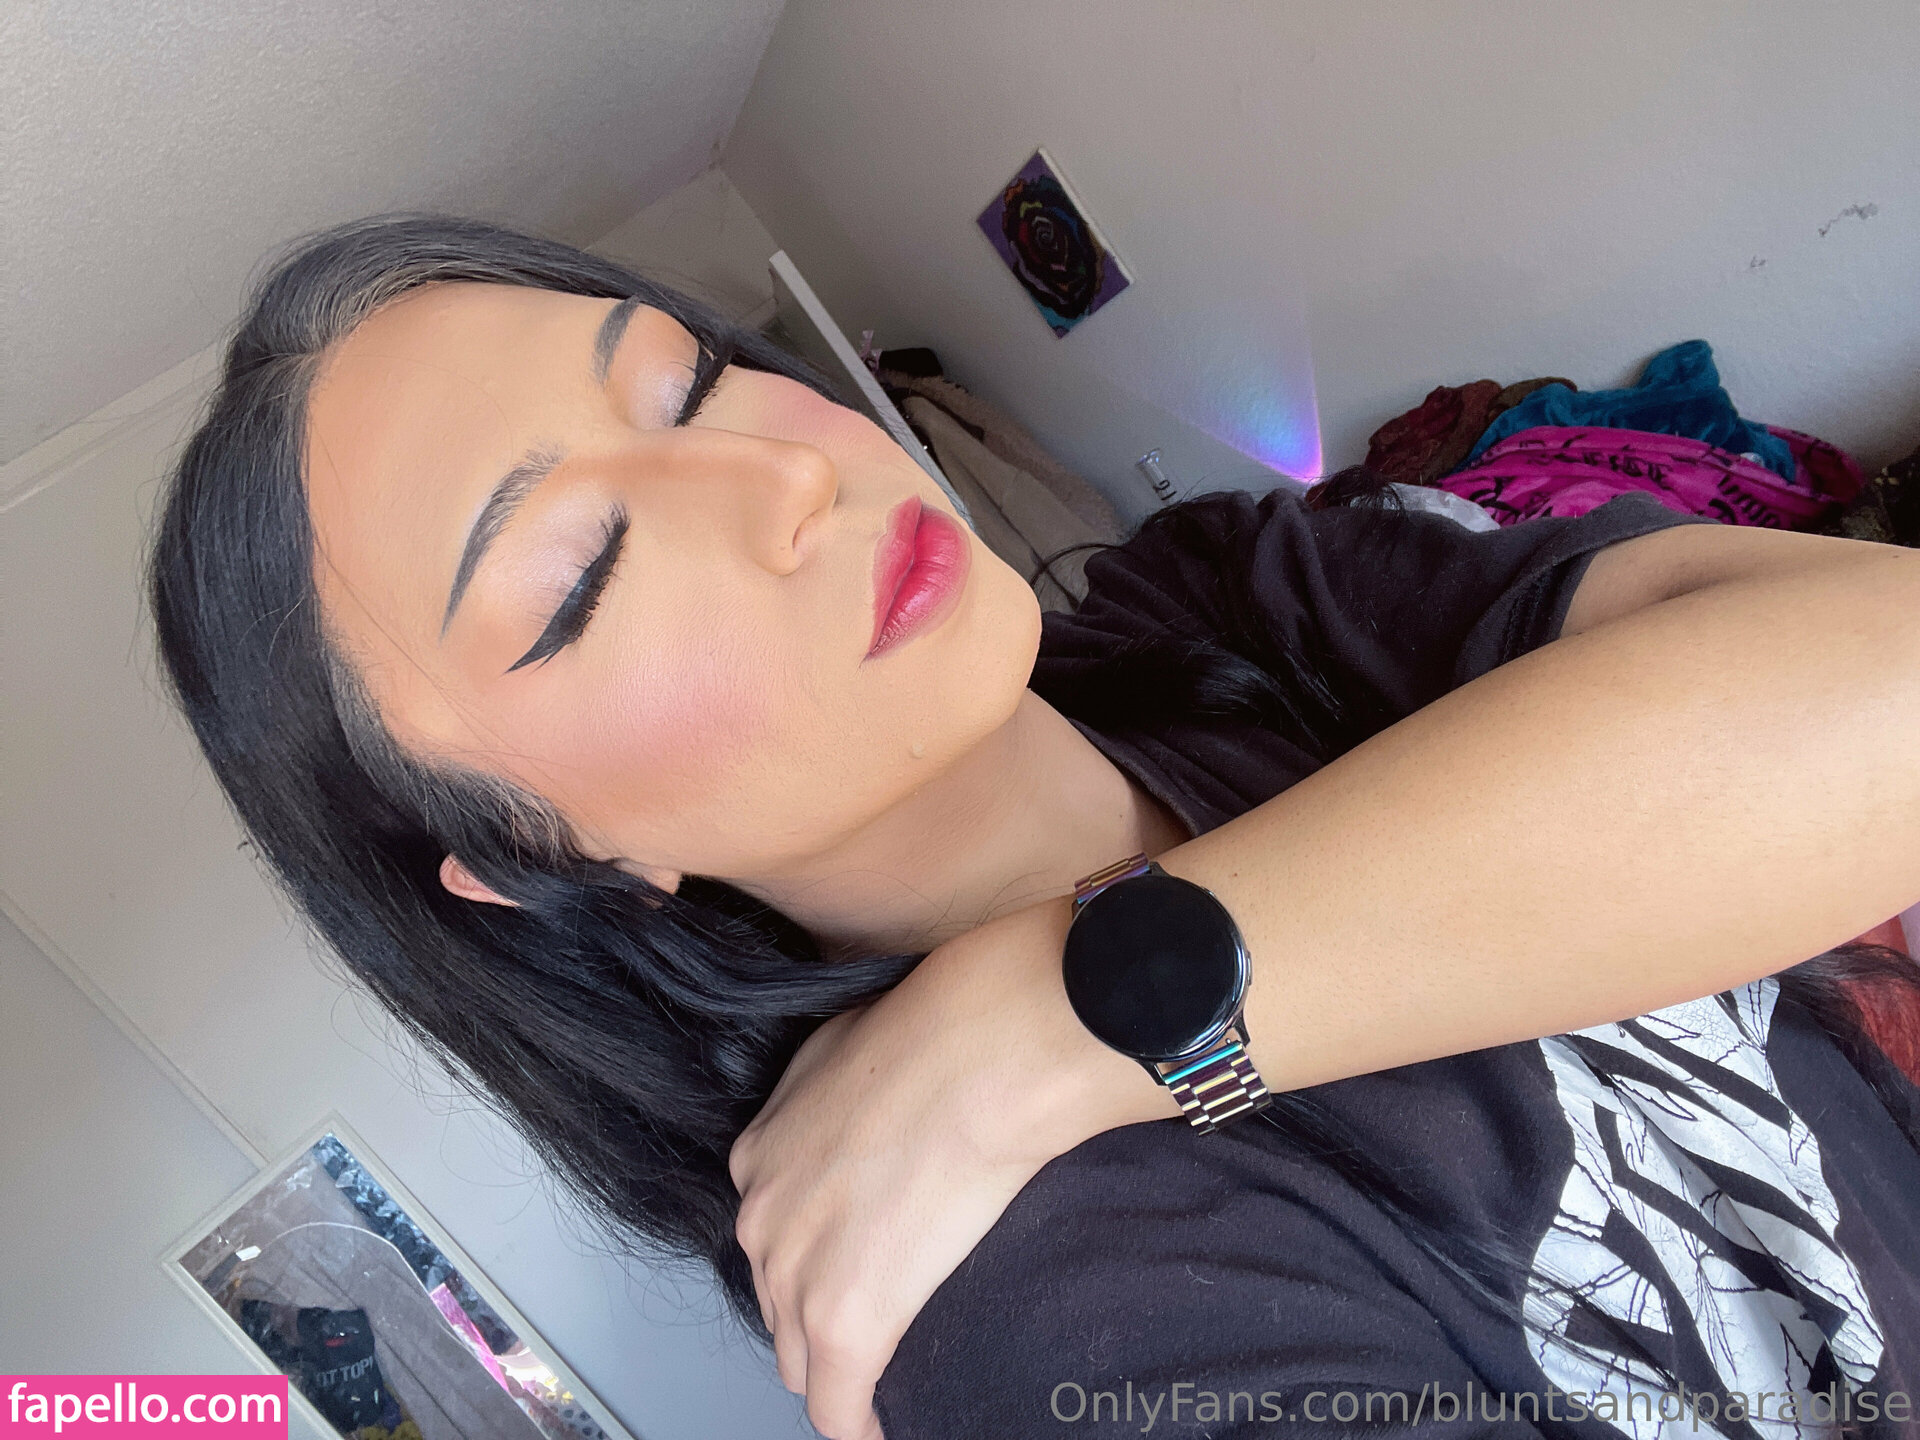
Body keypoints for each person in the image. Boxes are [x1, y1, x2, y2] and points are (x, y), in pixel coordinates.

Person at [149, 216, 1920, 1440]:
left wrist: (1073, 1017)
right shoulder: (1009, 1304)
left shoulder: (1236, 599)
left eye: (684, 384)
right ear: (554, 857)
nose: (787, 474)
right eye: (583, 573)